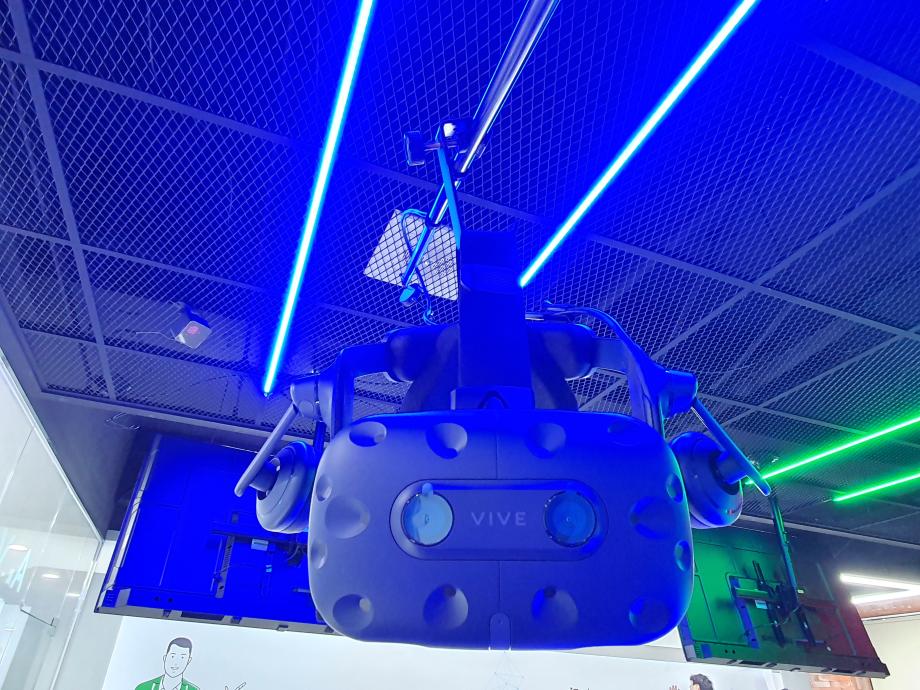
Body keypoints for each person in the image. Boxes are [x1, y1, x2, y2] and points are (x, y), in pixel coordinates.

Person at [134, 637, 198, 690]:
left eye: (182, 658)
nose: (176, 662)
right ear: (165, 658)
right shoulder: (143, 687)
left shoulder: (193, 689)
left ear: (188, 661)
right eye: (172, 656)